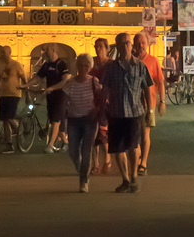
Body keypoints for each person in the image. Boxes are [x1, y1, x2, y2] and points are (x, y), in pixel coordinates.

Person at [100, 32, 153, 193]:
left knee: (132, 147)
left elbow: (147, 90)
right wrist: (102, 108)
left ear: (131, 45)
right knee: (117, 149)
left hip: (134, 113)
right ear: (117, 46)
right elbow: (105, 90)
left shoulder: (140, 66)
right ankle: (125, 179)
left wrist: (150, 110)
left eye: (127, 43)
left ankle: (134, 177)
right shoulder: (110, 68)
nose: (125, 46)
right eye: (122, 43)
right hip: (115, 113)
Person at [65, 53, 102, 192]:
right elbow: (64, 100)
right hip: (73, 119)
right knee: (73, 150)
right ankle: (82, 169)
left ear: (90, 66)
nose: (83, 68)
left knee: (86, 151)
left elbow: (101, 99)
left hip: (90, 120)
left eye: (86, 65)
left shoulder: (94, 81)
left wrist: (97, 110)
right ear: (77, 66)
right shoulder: (70, 83)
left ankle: (83, 181)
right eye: (80, 65)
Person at [132, 31, 165, 176]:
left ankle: (143, 163)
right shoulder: (130, 61)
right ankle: (137, 158)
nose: (141, 46)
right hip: (132, 104)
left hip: (148, 103)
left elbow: (160, 81)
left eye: (143, 43)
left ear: (147, 44)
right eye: (138, 43)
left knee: (145, 133)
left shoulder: (153, 61)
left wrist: (162, 101)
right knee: (134, 134)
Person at [0, 45, 27, 153]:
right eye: (1, 52)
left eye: (4, 52)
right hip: (3, 95)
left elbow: (24, 79)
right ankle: (10, 144)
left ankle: (20, 131)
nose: (2, 54)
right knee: (5, 120)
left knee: (9, 117)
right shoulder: (0, 66)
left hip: (14, 94)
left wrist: (27, 93)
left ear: (9, 52)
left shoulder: (16, 65)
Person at [36, 43, 70, 153]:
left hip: (61, 96)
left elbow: (65, 81)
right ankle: (65, 142)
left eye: (47, 50)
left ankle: (50, 145)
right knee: (53, 119)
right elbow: (37, 77)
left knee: (56, 120)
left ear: (54, 50)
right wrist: (25, 86)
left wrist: (51, 88)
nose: (44, 52)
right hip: (50, 96)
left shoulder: (62, 64)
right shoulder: (46, 65)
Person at [90, 38, 111, 174]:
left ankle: (107, 159)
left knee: (103, 133)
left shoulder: (111, 64)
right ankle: (95, 164)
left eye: (101, 47)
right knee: (92, 134)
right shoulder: (92, 63)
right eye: (96, 47)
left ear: (107, 48)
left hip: (106, 102)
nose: (98, 49)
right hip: (92, 102)